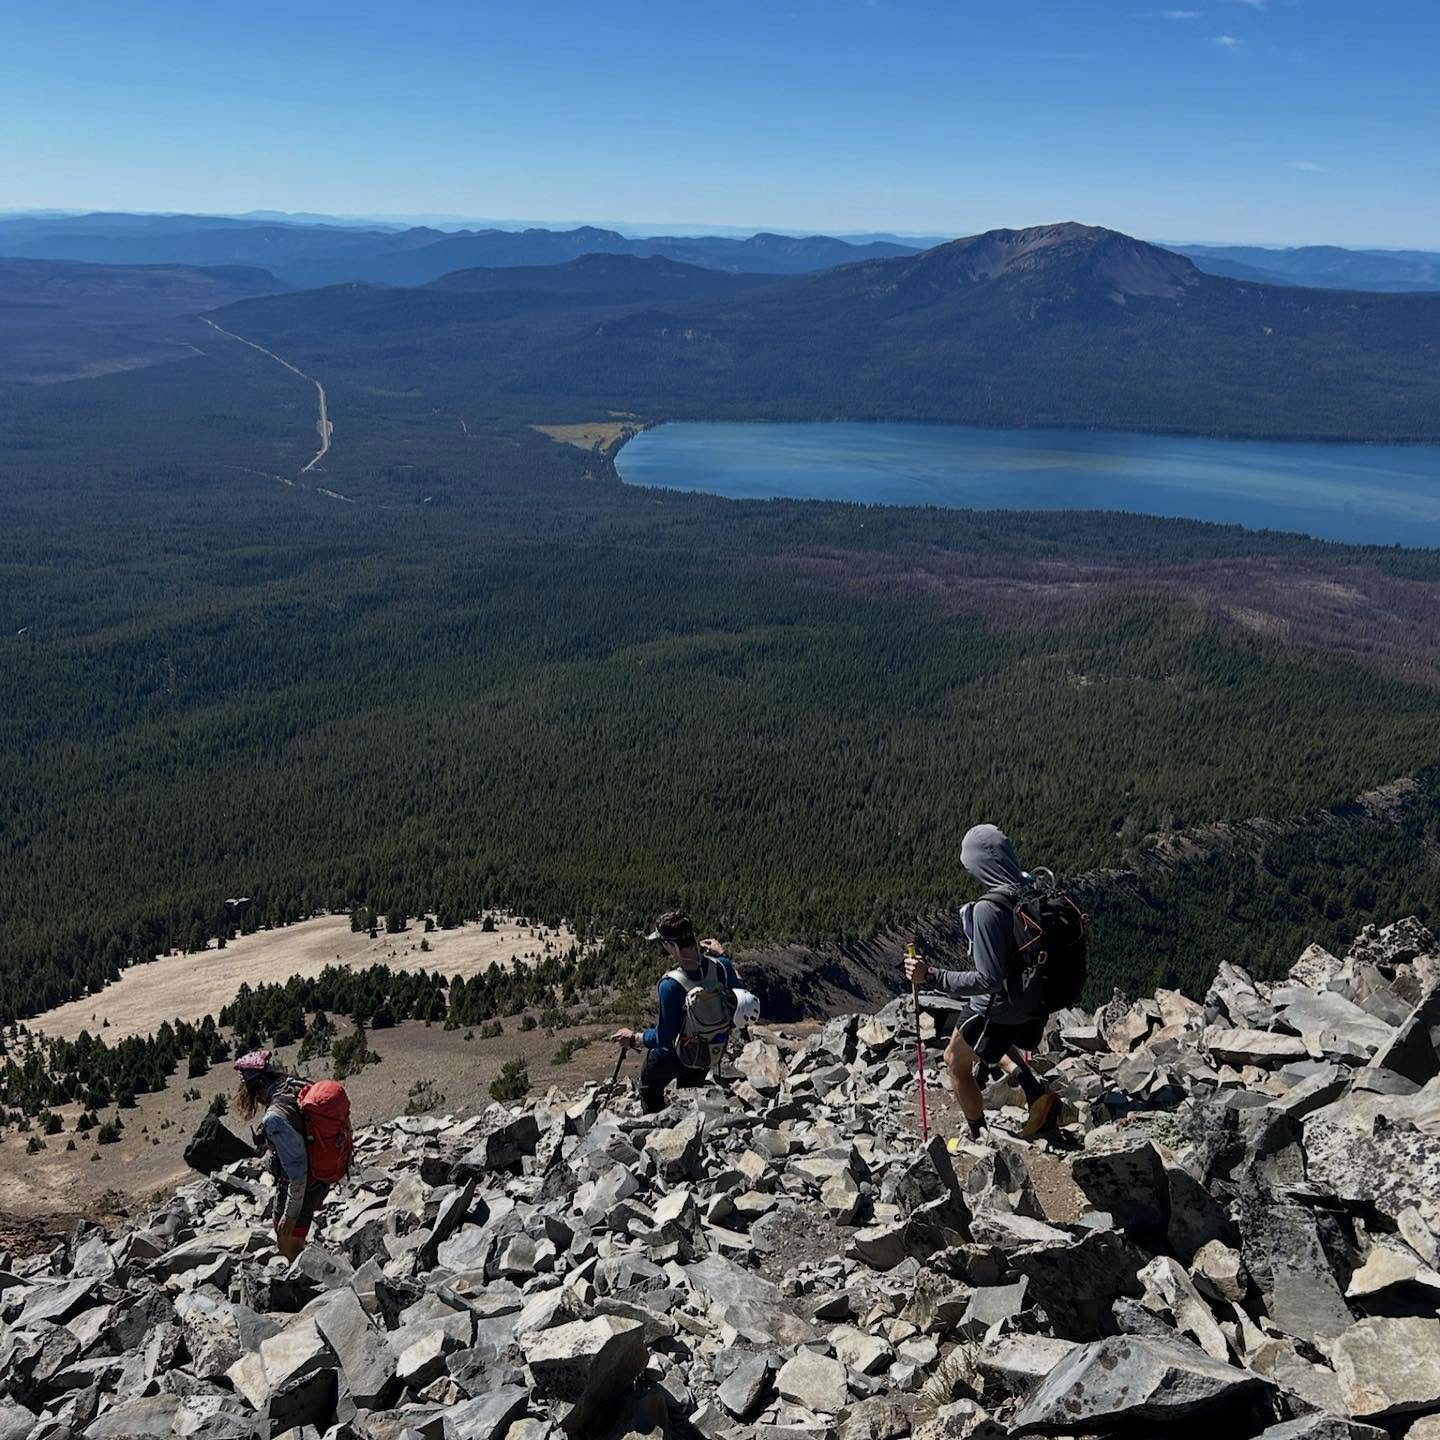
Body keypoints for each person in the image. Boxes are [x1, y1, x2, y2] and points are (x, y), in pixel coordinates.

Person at [903, 824, 1061, 1142]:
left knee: (954, 1059)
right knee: (988, 1037)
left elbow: (988, 980)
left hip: (1001, 1006)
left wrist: (930, 976)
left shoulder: (988, 909)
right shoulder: (1035, 889)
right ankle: (1034, 1092)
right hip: (1035, 1002)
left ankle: (978, 1136)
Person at [611, 910, 740, 1112]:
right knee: (691, 1084)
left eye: (663, 943)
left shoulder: (671, 985)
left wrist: (635, 1037)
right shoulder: (722, 967)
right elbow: (739, 997)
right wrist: (722, 955)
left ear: (671, 945)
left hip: (682, 1055)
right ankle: (692, 1109)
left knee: (648, 1083)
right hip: (713, 1050)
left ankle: (658, 1126)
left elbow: (664, 1037)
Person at [232, 1049, 328, 1261]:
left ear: (253, 1086)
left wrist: (290, 1215)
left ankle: (310, 1286)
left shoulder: (274, 1118)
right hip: (318, 1176)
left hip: (304, 1184)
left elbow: (297, 1171)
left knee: (288, 1240)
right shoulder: (292, 1085)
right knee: (291, 1236)